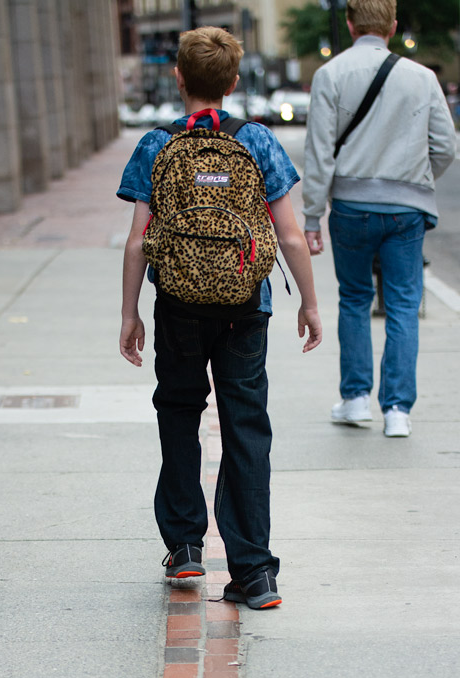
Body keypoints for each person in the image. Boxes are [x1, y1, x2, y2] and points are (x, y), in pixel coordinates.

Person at [117, 27, 322, 609]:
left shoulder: (156, 145)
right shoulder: (258, 141)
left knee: (179, 413)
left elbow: (138, 241)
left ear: (178, 78)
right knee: (245, 425)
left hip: (178, 304)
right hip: (244, 307)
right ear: (233, 84)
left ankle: (185, 549)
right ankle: (254, 573)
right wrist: (308, 303)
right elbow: (288, 234)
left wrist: (130, 312)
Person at [302, 0, 456, 436]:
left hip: (350, 206)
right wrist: (416, 179)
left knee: (353, 299)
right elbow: (445, 147)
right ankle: (397, 411)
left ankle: (354, 400)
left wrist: (312, 217)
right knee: (404, 304)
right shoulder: (422, 78)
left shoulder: (330, 75)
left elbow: (319, 154)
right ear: (392, 27)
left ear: (350, 24)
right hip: (407, 210)